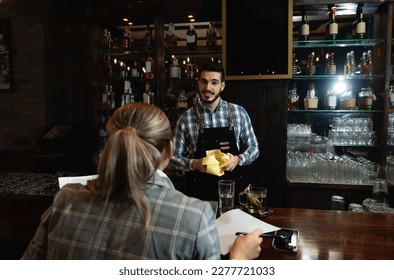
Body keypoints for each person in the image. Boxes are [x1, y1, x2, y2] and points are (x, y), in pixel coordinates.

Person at [21, 102, 263, 260]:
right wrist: (238, 259)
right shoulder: (194, 216)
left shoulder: (65, 199)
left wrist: (238, 158)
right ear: (168, 150)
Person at [171, 60, 260, 201]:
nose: (208, 87)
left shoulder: (239, 112)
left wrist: (238, 159)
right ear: (198, 83)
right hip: (197, 194)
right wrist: (195, 164)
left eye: (214, 82)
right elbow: (172, 158)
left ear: (222, 86)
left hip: (232, 192)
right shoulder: (185, 118)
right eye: (204, 81)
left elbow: (254, 148)